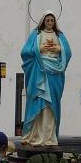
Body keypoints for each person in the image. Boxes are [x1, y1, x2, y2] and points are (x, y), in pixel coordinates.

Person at [20, 13, 66, 147]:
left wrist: (58, 48)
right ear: (43, 21)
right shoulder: (36, 34)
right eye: (48, 20)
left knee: (52, 105)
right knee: (38, 101)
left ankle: (49, 137)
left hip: (54, 72)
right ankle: (35, 135)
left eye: (52, 20)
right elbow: (25, 52)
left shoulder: (59, 36)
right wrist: (39, 49)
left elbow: (67, 52)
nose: (50, 22)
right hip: (39, 70)